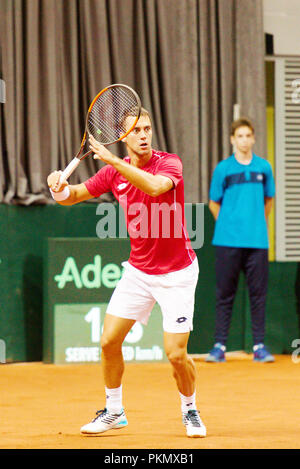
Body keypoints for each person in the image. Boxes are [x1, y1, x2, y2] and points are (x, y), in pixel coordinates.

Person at [47, 107, 206, 438]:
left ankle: (190, 410)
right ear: (123, 136)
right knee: (108, 341)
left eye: (147, 128)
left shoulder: (169, 163)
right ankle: (114, 410)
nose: (144, 135)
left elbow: (155, 188)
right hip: (138, 272)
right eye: (136, 130)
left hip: (177, 273)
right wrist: (57, 187)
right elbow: (73, 196)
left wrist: (113, 160)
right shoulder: (111, 174)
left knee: (176, 355)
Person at [206, 118, 275, 363]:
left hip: (257, 242)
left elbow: (269, 201)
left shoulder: (264, 168)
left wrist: (254, 224)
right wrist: (228, 225)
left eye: (248, 136)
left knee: (258, 295)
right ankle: (219, 346)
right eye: (240, 136)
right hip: (227, 241)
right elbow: (214, 203)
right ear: (232, 140)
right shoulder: (223, 169)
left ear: (254, 138)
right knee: (225, 294)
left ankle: (259, 346)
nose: (245, 140)